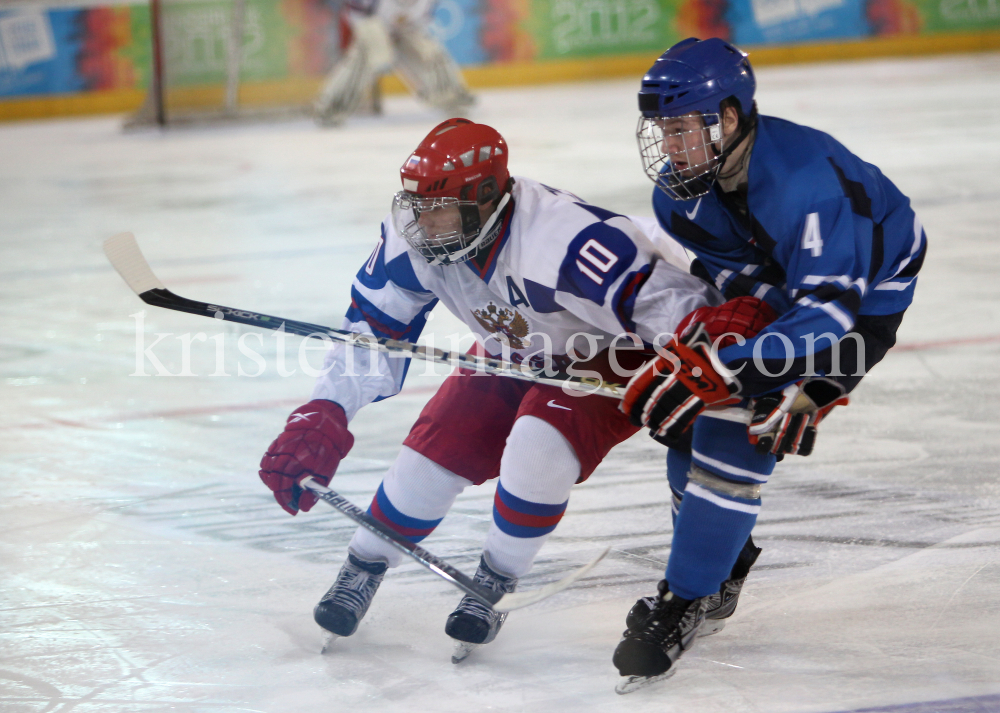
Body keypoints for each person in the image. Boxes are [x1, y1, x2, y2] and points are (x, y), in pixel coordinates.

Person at [257, 118, 774, 662]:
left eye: (440, 210)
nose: (423, 224)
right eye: (417, 207)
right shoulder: (413, 230)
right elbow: (373, 327)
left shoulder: (568, 244)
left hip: (615, 347)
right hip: (516, 341)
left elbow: (683, 311)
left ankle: (493, 581)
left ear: (485, 201)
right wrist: (325, 409)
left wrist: (724, 356)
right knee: (435, 451)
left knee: (539, 443)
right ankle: (362, 566)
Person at [612, 37, 926, 691]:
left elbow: (827, 320)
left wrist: (734, 373)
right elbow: (737, 287)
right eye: (661, 130)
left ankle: (686, 596)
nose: (668, 146)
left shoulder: (809, 187)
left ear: (728, 118)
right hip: (787, 283)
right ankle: (720, 559)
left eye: (681, 128)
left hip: (867, 290)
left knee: (745, 422)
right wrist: (704, 359)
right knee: (687, 423)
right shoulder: (681, 196)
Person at [314, 0, 475, 126]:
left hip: (405, 31)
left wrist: (408, 38)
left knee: (429, 52)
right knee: (369, 57)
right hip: (374, 25)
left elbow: (420, 22)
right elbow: (356, 12)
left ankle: (450, 96)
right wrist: (374, 36)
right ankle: (331, 106)